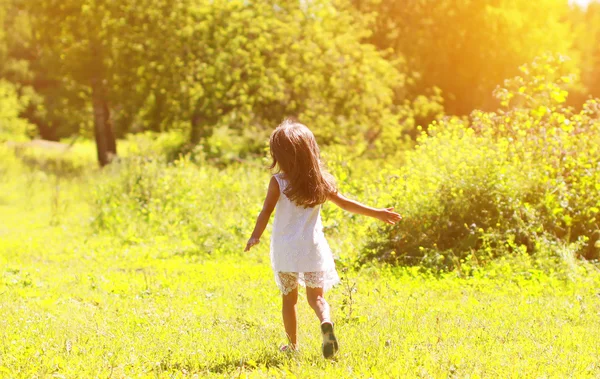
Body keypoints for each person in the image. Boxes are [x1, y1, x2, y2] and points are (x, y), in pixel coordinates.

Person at [244, 119, 402, 359]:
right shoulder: (320, 181)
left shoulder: (279, 182)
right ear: (310, 150)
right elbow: (346, 204)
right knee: (317, 298)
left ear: (280, 154)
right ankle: (325, 321)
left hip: (286, 248)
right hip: (312, 247)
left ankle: (292, 346)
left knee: (290, 300)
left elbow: (266, 210)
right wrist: (378, 212)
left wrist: (256, 235)